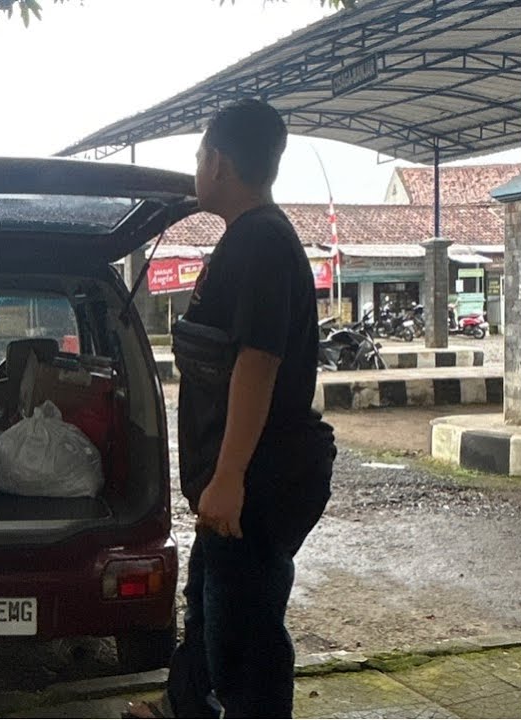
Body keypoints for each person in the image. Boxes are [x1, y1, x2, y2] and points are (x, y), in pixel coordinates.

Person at [126, 99, 336, 719]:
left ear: (218, 161)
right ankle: (180, 707)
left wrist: (228, 476)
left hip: (259, 481)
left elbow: (258, 362)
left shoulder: (261, 242)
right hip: (241, 482)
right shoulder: (248, 238)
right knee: (210, 601)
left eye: (198, 154)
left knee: (245, 638)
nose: (196, 165)